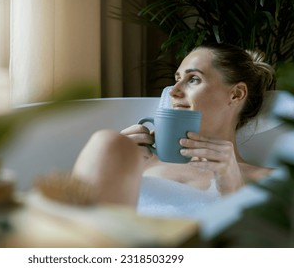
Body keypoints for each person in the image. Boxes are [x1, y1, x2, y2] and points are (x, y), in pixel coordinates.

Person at [70, 43, 276, 211]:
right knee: (106, 142)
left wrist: (233, 191)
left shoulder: (270, 179)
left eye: (193, 79)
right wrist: (117, 159)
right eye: (177, 80)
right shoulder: (141, 161)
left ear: (236, 94)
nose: (173, 91)